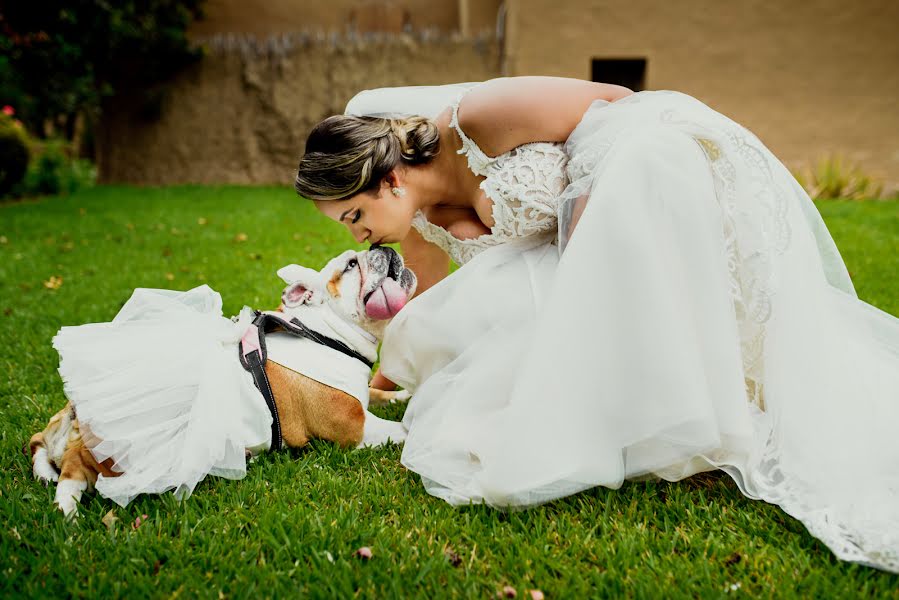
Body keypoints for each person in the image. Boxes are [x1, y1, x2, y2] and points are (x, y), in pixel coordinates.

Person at [294, 76, 899, 572]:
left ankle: (689, 417)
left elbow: (616, 104)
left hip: (635, 185)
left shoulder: (478, 118)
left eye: (355, 215)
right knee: (483, 419)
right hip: (563, 279)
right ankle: (633, 410)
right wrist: (383, 374)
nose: (358, 234)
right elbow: (429, 308)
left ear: (391, 178)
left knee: (638, 170)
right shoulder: (417, 219)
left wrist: (585, 216)